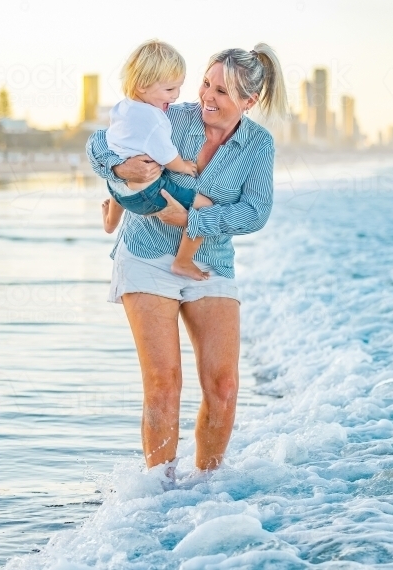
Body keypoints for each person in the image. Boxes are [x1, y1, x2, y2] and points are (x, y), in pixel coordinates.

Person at [86, 43, 285, 477]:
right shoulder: (170, 115)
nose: (207, 98)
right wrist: (120, 172)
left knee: (224, 385)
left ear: (248, 102)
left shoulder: (258, 145)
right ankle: (159, 495)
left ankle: (207, 487)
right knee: (163, 383)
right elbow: (99, 144)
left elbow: (256, 211)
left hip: (210, 260)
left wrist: (195, 218)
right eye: (207, 84)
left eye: (223, 92)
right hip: (145, 255)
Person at [100, 40, 215, 280]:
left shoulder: (121, 108)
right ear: (143, 86)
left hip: (117, 188)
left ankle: (111, 222)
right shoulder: (154, 118)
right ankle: (183, 262)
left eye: (178, 88)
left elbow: (109, 140)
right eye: (170, 90)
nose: (175, 97)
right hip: (145, 195)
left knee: (124, 170)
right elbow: (166, 154)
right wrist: (183, 165)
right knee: (205, 208)